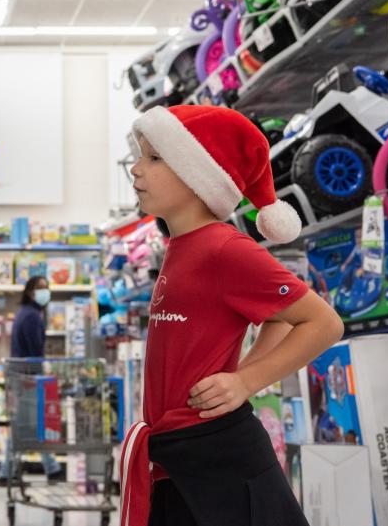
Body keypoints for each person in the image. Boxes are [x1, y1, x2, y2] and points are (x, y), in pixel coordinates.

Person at [121, 104, 344, 526]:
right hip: (178, 454)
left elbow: (323, 323)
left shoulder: (223, 248)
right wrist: (244, 372)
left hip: (218, 456)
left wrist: (245, 380)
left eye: (153, 157)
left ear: (198, 174)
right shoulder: (182, 247)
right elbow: (276, 317)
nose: (136, 169)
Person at [0, 275, 65, 486]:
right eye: (40, 288)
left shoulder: (25, 314)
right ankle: (47, 468)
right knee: (33, 424)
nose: (45, 291)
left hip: (20, 377)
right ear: (30, 292)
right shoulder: (33, 317)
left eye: (47, 287)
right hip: (28, 378)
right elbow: (35, 351)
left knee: (25, 425)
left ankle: (9, 471)